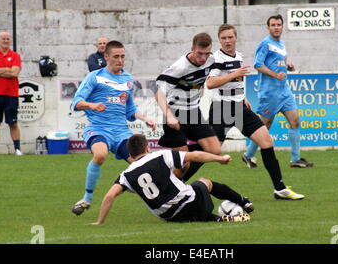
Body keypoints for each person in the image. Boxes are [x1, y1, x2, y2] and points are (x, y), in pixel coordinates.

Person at [207, 24, 304, 200]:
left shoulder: (238, 55)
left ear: (236, 38)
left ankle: (280, 189)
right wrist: (233, 74)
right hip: (222, 109)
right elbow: (210, 83)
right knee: (210, 152)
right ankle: (176, 182)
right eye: (224, 38)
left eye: (230, 37)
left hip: (239, 107)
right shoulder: (216, 58)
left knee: (266, 141)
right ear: (219, 40)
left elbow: (236, 81)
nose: (228, 41)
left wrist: (243, 97)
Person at [71, 40, 157, 216]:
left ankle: (159, 201)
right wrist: (91, 105)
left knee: (141, 166)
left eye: (123, 56)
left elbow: (130, 109)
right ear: (106, 57)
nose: (120, 60)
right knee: (100, 154)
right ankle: (86, 199)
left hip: (121, 132)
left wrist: (145, 118)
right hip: (98, 128)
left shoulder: (127, 79)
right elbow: (76, 102)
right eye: (116, 56)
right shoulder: (95, 76)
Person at [91, 134, 253, 225]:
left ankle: (216, 218)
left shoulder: (125, 175)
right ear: (147, 147)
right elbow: (195, 155)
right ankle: (242, 201)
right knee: (205, 182)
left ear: (131, 154)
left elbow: (110, 196)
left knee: (188, 200)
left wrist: (99, 221)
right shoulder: (160, 155)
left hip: (169, 216)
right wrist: (220, 158)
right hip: (190, 202)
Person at [243, 15, 314, 169]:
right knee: (264, 127)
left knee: (295, 122)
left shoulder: (281, 44)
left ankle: (295, 159)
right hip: (270, 93)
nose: (276, 27)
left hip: (284, 91)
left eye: (279, 24)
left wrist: (288, 66)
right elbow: (257, 65)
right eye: (273, 25)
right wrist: (275, 74)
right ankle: (248, 155)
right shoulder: (265, 44)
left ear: (282, 27)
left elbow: (280, 61)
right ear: (268, 27)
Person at [155, 33, 221, 182]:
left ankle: (170, 166)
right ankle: (172, 188)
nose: (203, 58)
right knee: (184, 163)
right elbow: (158, 93)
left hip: (193, 111)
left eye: (206, 53)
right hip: (175, 113)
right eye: (199, 53)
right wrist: (169, 116)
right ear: (192, 49)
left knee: (214, 150)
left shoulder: (211, 60)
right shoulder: (180, 67)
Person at [0, 32, 23, 156]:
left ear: (10, 41)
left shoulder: (15, 56)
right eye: (3, 39)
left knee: (13, 123)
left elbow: (14, 73)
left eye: (7, 39)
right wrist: (7, 69)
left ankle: (17, 149)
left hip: (11, 95)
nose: (5, 40)